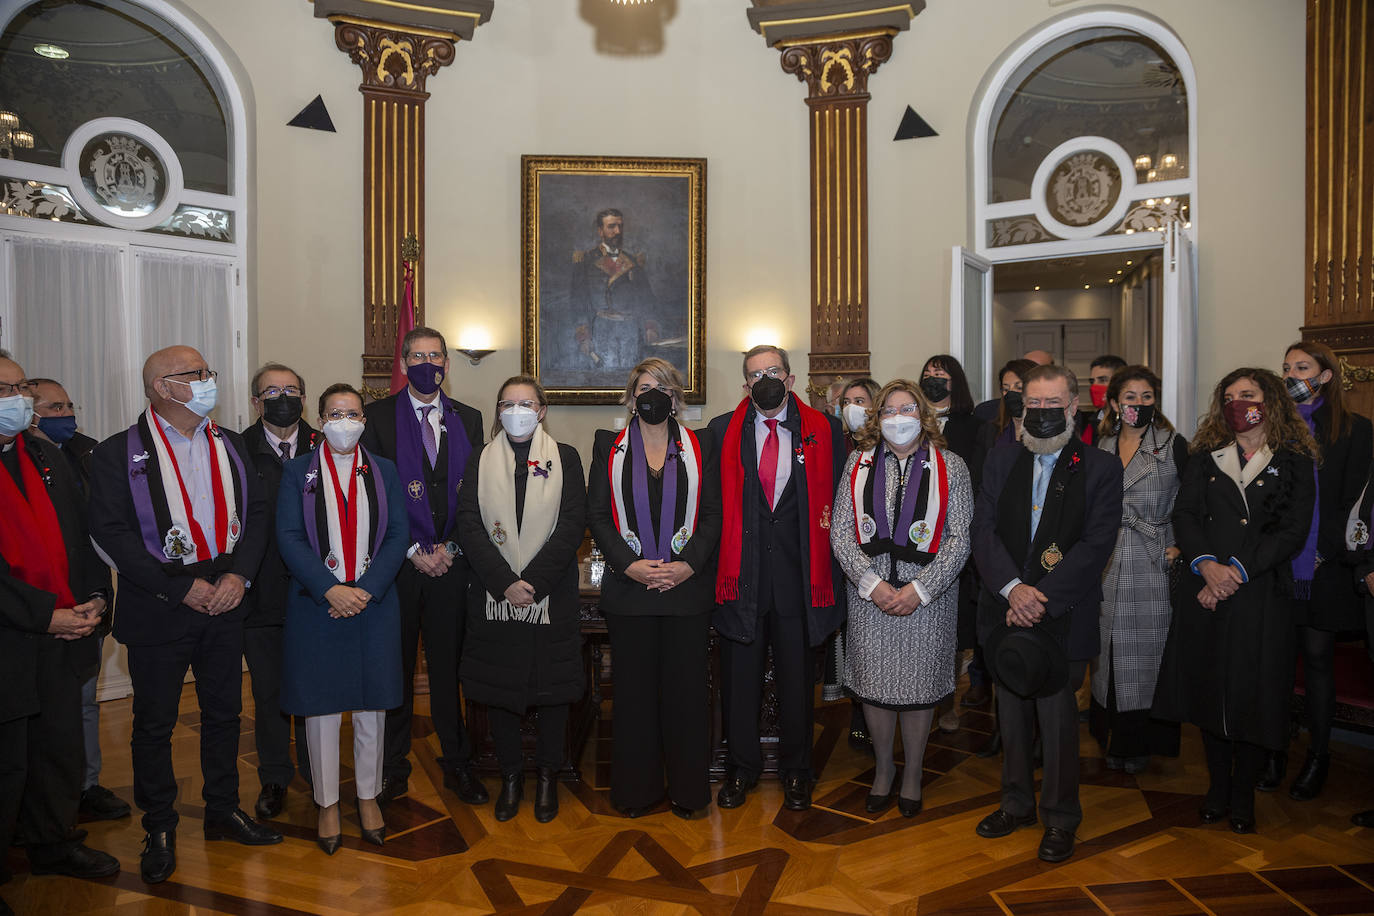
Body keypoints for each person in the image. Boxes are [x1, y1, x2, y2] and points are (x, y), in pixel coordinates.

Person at [88, 346, 281, 885]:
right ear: (160, 387)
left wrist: (239, 576)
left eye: (207, 372)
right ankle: (160, 825)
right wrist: (180, 588)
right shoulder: (116, 453)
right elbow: (112, 534)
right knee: (155, 724)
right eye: (193, 374)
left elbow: (256, 514)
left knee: (223, 714)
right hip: (160, 604)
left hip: (225, 596)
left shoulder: (231, 443)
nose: (206, 381)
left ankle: (222, 810)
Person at [1154, 368, 1317, 834]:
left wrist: (1236, 573)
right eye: (1229, 396)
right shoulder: (1205, 455)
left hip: (1260, 593)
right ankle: (1216, 788)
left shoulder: (1294, 458)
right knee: (1209, 688)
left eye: (1248, 394)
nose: (1237, 402)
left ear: (1271, 401)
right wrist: (1206, 566)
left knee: (1252, 691)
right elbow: (1184, 514)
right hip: (1203, 588)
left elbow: (1292, 532)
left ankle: (1243, 791)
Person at [971, 364, 1123, 863]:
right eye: (1031, 403)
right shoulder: (1001, 459)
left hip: (1064, 613)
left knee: (1058, 724)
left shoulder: (1100, 466)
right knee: (1010, 716)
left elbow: (1096, 543)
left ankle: (1060, 818)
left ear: (1073, 406)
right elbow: (983, 531)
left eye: (1050, 404)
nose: (1039, 412)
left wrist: (1040, 597)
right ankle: (1016, 805)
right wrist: (1014, 590)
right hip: (1006, 611)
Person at [0, 356, 120, 913]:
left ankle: (52, 841)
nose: (18, 397)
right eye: (5, 389)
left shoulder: (48, 456)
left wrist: (97, 597)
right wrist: (43, 612)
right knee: (7, 761)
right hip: (12, 636)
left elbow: (84, 536)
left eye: (21, 387)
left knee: (58, 748)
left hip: (65, 632)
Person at [708, 345, 846, 812]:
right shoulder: (721, 430)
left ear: (789, 379)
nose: (763, 379)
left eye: (772, 371)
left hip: (800, 582)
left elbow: (841, 507)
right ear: (745, 386)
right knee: (739, 684)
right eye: (754, 374)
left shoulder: (824, 430)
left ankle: (797, 772)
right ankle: (740, 770)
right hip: (740, 581)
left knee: (795, 686)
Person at [831, 379, 973, 817]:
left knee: (919, 689)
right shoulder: (858, 462)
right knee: (874, 689)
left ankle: (912, 772)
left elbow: (958, 538)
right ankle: (882, 769)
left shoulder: (952, 466)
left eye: (907, 408)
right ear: (877, 417)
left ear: (924, 414)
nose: (898, 418)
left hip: (928, 596)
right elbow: (840, 531)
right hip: (870, 593)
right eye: (889, 410)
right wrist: (872, 585)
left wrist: (919, 590)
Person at [275, 383, 408, 854]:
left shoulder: (385, 471)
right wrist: (330, 589)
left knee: (373, 706)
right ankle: (328, 802)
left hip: (374, 604)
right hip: (318, 604)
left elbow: (397, 536)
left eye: (352, 413)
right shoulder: (296, 473)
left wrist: (365, 592)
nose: (344, 422)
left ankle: (368, 796)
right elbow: (289, 536)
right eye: (334, 413)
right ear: (320, 419)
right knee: (322, 708)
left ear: (364, 421)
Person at [587, 358, 721, 819]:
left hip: (687, 591)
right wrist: (630, 566)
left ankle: (688, 792)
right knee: (634, 696)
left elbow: (712, 516)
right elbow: (598, 516)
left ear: (676, 397)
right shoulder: (608, 446)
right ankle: (636, 792)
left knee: (686, 696)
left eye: (662, 386)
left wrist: (687, 565)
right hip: (630, 592)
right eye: (644, 387)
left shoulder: (702, 446)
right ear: (630, 397)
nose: (652, 394)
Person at [360, 326, 488, 806]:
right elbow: (374, 495)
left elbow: (476, 493)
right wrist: (414, 549)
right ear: (403, 362)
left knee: (448, 668)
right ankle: (393, 766)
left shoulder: (467, 418)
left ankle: (457, 762)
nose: (427, 364)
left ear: (447, 363)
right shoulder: (376, 418)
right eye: (417, 356)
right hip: (398, 567)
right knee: (395, 668)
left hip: (453, 567)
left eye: (435, 355)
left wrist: (450, 549)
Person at [458, 376, 586, 823]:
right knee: (500, 690)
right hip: (496, 598)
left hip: (548, 599)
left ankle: (548, 777)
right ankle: (511, 777)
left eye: (526, 403)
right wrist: (504, 583)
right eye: (507, 403)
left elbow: (572, 525)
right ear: (497, 410)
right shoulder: (480, 459)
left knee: (551, 692)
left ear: (542, 410)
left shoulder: (565, 458)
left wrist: (532, 583)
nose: (516, 410)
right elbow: (469, 525)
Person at [1259, 342, 1371, 799]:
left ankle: (1318, 756)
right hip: (1278, 566)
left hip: (1327, 567)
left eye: (1302, 367)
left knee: (1319, 661)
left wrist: (1324, 552)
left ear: (1325, 376)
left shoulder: (1356, 430)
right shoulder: (1273, 429)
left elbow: (1355, 501)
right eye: (1286, 367)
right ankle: (1274, 751)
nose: (1291, 375)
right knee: (1278, 662)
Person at [29, 376, 130, 821]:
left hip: (81, 605)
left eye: (69, 405)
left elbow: (95, 533)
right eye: (54, 408)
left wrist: (98, 596)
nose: (65, 415)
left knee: (83, 704)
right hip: (28, 613)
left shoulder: (87, 454)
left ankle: (84, 788)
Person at [1088, 366, 1188, 774]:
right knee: (1106, 651)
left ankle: (1142, 742)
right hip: (1106, 559)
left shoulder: (1173, 444)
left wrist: (1179, 546)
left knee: (1147, 653)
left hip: (1152, 558)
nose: (1139, 404)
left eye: (1147, 397)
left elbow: (1191, 502)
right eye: (1130, 397)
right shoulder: (1102, 444)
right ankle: (1110, 736)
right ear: (1114, 403)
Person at [240, 363, 319, 818]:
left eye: (292, 389)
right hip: (261, 595)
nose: (283, 397)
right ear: (256, 401)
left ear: (304, 399)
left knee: (314, 689)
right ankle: (274, 777)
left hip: (317, 594)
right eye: (272, 390)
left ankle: (317, 772)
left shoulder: (329, 445)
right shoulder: (234, 449)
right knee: (268, 694)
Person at [920, 355, 988, 725]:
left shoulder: (975, 426)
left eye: (940, 374)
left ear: (954, 382)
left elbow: (977, 482)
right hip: (916, 536)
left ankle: (948, 704)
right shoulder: (909, 422)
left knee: (954, 624)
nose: (933, 379)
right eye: (928, 374)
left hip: (956, 534)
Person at [571, 208, 658, 372]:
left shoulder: (633, 260)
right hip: (603, 328)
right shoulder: (586, 261)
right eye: (611, 226)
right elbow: (578, 301)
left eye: (620, 226)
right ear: (600, 231)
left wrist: (650, 327)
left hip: (630, 330)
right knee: (604, 379)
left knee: (631, 379)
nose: (617, 231)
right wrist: (583, 336)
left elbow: (646, 297)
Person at [972, 350, 1053, 423]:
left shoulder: (1052, 418)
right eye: (1006, 389)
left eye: (1019, 388)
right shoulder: (986, 414)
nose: (1011, 393)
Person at [1078, 355, 1127, 446]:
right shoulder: (1089, 424)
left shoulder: (1129, 422)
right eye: (1092, 381)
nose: (1094, 386)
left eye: (1102, 380)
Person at [838, 377, 881, 451]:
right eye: (846, 402)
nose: (850, 407)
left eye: (859, 401)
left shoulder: (886, 443)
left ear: (875, 404)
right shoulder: (840, 442)